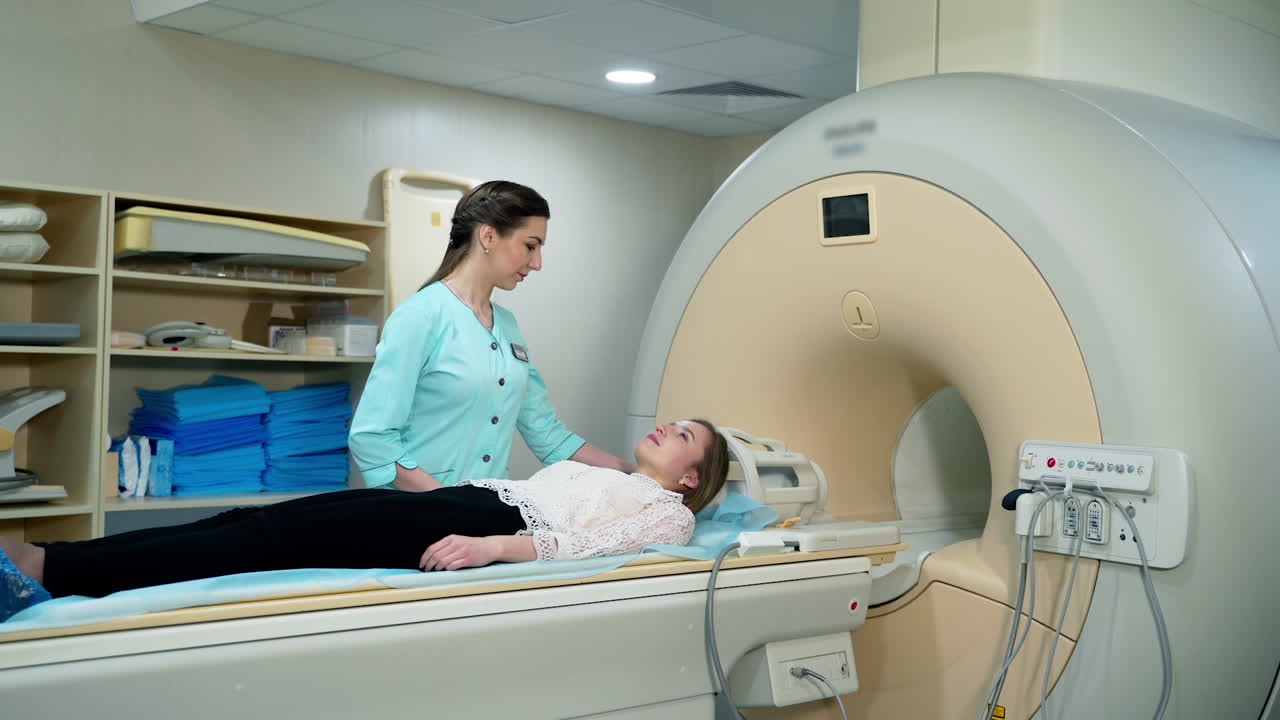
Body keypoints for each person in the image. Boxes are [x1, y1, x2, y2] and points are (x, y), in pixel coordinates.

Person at [0, 420, 730, 609]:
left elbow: (582, 546)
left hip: (472, 526)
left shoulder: (668, 515)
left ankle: (47, 568)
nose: (667, 428)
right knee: (245, 524)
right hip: (459, 499)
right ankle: (53, 556)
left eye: (684, 435)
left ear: (692, 476)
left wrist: (492, 548)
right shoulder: (606, 472)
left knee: (264, 542)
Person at [348, 180, 633, 492]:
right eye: (530, 245)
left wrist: (634, 474)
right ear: (488, 236)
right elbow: (372, 438)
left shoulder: (507, 325)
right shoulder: (421, 316)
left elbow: (545, 432)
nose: (537, 263)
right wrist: (447, 503)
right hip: (419, 517)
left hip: (482, 520)